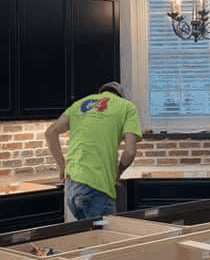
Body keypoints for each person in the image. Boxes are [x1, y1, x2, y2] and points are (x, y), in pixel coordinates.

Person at [44, 81, 142, 220]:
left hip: (72, 186)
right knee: (105, 239)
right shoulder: (126, 106)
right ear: (121, 96)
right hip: (97, 186)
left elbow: (50, 133)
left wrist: (62, 167)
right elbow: (130, 152)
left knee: (88, 236)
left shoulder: (79, 104)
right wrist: (118, 172)